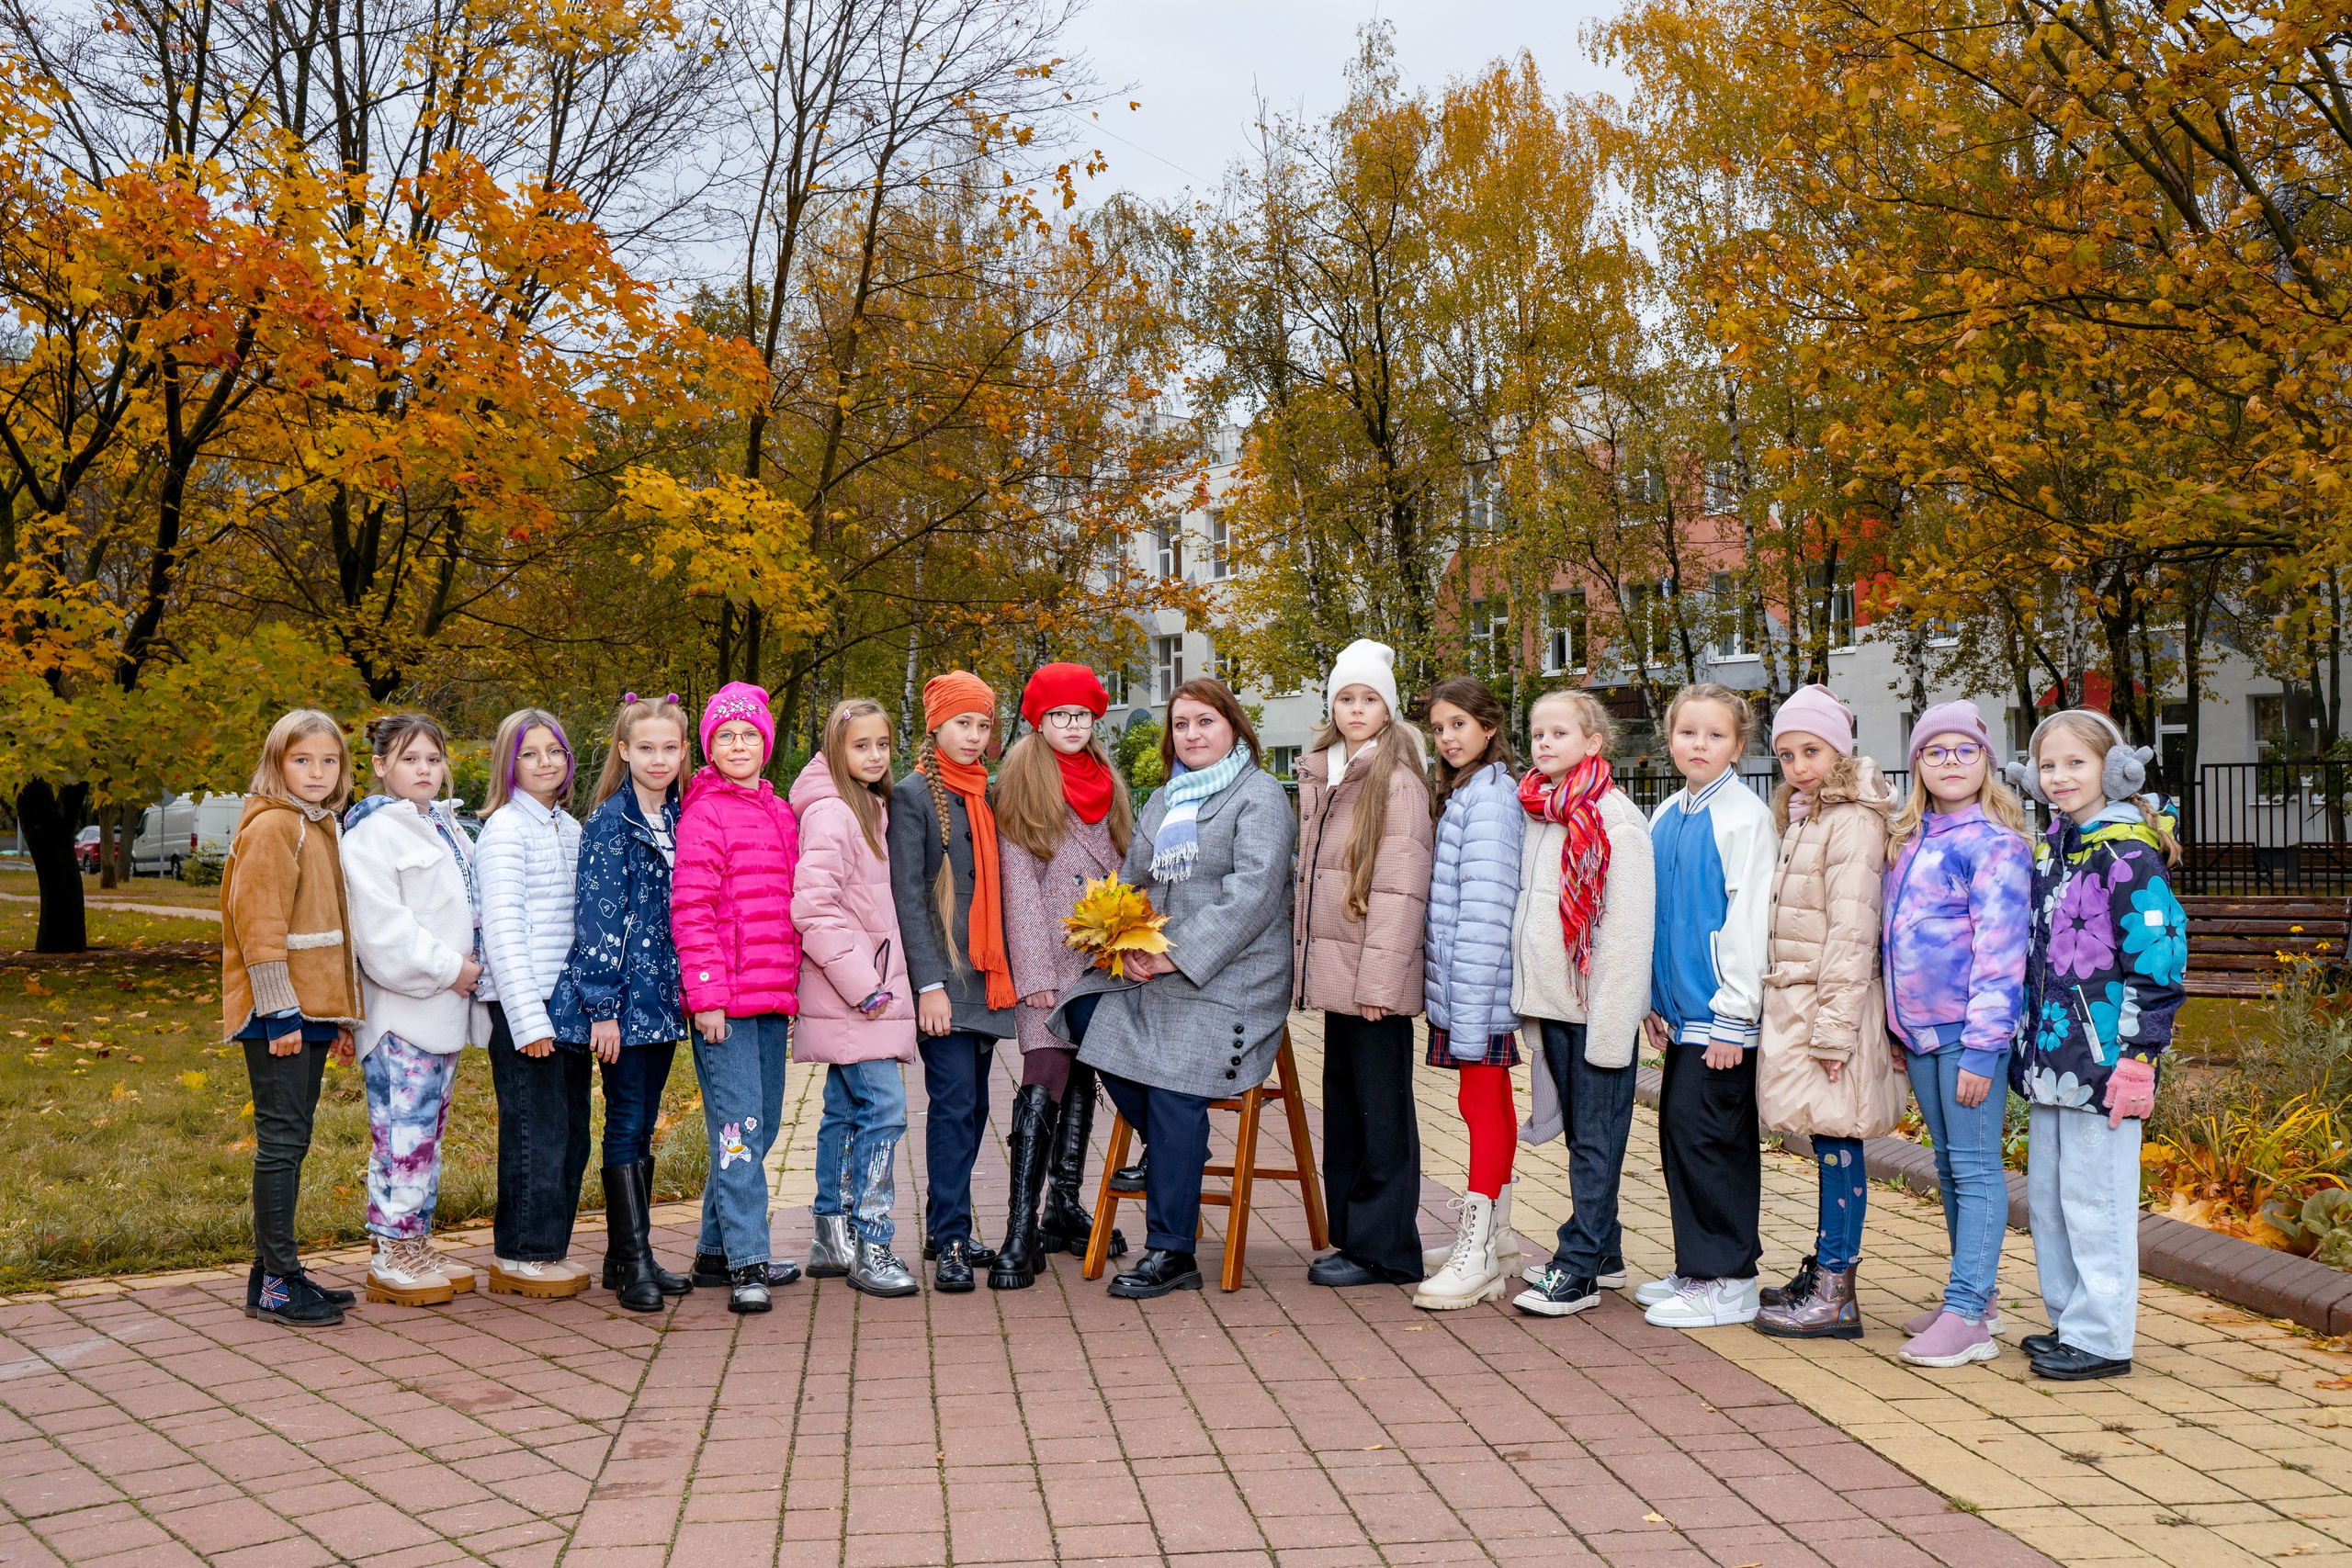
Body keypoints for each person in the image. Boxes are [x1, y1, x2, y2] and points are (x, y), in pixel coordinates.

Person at [1055, 679, 1298, 1298]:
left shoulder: (1261, 797)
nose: (1192, 734)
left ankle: (1172, 1249)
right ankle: (1171, 1149)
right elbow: (1132, 881)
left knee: (1172, 1079)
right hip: (1156, 970)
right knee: (1080, 1009)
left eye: (1205, 722)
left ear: (1235, 729)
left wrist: (1169, 958)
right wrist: (1124, 941)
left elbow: (1248, 900)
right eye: (1182, 724)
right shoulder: (1165, 798)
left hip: (1233, 979)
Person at [2006, 708, 2187, 1381]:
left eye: (2075, 763)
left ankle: (2104, 1335)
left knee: (2096, 1200)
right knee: (2053, 1200)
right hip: (2054, 1058)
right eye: (2048, 765)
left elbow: (2159, 955)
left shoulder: (2126, 854)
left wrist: (2142, 1054)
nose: (2059, 777)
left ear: (2111, 771)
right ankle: (2071, 1318)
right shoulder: (2058, 847)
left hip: (2105, 1061)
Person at [1749, 685, 1905, 1340]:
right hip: (1803, 1002)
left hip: (1830, 1006)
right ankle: (1824, 1267)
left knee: (1839, 1143)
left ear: (1839, 747)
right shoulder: (1809, 814)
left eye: (1810, 749)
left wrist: (1835, 1032)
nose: (1798, 765)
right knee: (1825, 1138)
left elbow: (1851, 930)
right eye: (1785, 754)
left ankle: (1838, 1288)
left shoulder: (1851, 820)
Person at [1883, 700, 2031, 1368]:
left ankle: (1967, 1312)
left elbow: (2002, 957)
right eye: (1935, 751)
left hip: (1966, 1033)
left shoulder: (1994, 844)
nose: (1950, 762)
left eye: (1963, 751)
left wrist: (1982, 1045)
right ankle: (1976, 1296)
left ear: (1986, 762)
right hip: (1917, 1033)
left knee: (1973, 1168)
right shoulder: (1911, 837)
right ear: (1917, 762)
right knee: (1946, 1166)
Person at [1508, 691, 1656, 1318]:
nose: (1544, 743)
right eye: (1538, 732)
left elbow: (1626, 938)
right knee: (1582, 1139)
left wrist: (1613, 1027)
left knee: (1598, 1141)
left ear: (1593, 742)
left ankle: (1579, 1266)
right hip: (1557, 1005)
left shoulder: (1615, 819)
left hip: (1597, 1014)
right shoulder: (1541, 811)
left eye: (1559, 732)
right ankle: (1609, 1251)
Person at [1294, 638, 1434, 1289]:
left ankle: (1389, 1250)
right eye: (1345, 698)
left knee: (1382, 1117)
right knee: (1347, 1109)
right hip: (1338, 974)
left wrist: (1379, 983)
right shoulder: (1324, 771)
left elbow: (1401, 887)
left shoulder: (1396, 779)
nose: (1355, 708)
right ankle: (1352, 1237)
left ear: (1388, 706)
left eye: (1368, 698)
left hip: (1372, 982)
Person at [1637, 682, 1778, 1330]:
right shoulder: (1667, 814)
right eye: (1688, 732)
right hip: (1682, 1017)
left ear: (1739, 747)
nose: (1699, 744)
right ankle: (1698, 1267)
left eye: (1715, 734)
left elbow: (1747, 922)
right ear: (1670, 739)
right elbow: (1656, 918)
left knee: (1713, 1142)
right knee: (1682, 1139)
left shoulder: (1743, 818)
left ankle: (1730, 1278)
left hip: (1722, 1021)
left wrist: (1734, 1016)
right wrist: (1651, 998)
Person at [550, 693, 695, 1313]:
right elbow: (597, 919)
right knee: (627, 1119)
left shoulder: (681, 815)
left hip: (664, 1000)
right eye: (646, 748)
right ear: (623, 751)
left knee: (645, 1120)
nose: (658, 758)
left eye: (669, 748)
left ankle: (624, 1253)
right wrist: (602, 1006)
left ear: (684, 751)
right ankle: (632, 1259)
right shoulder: (611, 824)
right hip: (622, 1005)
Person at [991, 663, 1134, 1289]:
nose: (1072, 726)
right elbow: (1018, 885)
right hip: (1048, 954)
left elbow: (1127, 863)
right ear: (1038, 720)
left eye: (1082, 715)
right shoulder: (1023, 781)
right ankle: (1019, 1230)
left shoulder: (1108, 781)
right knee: (1045, 1074)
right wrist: (1034, 972)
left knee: (1086, 1073)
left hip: (1101, 955)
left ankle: (1062, 1205)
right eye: (1059, 716)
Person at [221, 710, 363, 1328]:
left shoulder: (319, 823)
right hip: (278, 1012)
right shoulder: (276, 826)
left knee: (293, 1141)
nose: (317, 771)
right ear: (277, 763)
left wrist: (340, 1020)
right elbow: (259, 926)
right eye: (302, 759)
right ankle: (279, 1282)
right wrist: (281, 1014)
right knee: (281, 1145)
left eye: (328, 760)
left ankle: (271, 1274)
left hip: (308, 1012)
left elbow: (331, 930)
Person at [342, 714, 489, 1308]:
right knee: (401, 1136)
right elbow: (384, 934)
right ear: (380, 766)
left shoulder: (449, 827)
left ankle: (416, 1240)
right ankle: (390, 1249)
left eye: (432, 758)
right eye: (409, 759)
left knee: (427, 1136)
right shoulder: (371, 838)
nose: (424, 769)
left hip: (446, 1017)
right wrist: (449, 968)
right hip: (403, 1016)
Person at [673, 682, 806, 1313]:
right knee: (738, 1129)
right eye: (725, 735)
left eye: (749, 733)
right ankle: (748, 1259)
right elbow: (692, 909)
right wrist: (705, 997)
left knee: (762, 1123)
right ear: (709, 746)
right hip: (723, 1004)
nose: (738, 743)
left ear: (766, 743)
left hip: (770, 998)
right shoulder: (704, 812)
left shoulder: (781, 814)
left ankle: (712, 1249)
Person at [789, 699, 922, 1298]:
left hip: (860, 991)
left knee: (844, 1110)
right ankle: (873, 1243)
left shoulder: (868, 805)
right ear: (835, 749)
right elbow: (811, 907)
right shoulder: (834, 814)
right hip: (856, 994)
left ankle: (829, 1233)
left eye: (882, 744)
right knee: (886, 1109)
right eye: (860, 745)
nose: (873, 755)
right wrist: (865, 985)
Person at [890, 671, 1018, 1291]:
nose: (973, 735)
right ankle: (947, 1236)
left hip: (987, 976)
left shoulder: (986, 793)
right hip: (946, 980)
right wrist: (928, 984)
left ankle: (956, 1228)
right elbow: (909, 896)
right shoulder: (914, 795)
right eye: (963, 722)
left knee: (976, 1108)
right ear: (936, 725)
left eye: (983, 724)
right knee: (953, 1107)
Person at [1412, 676, 1525, 1311]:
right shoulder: (1468, 793)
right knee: (1486, 1103)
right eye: (1439, 727)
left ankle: (1478, 1254)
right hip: (1467, 987)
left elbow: (1485, 911)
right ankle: (1499, 1238)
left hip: (1478, 988)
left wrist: (1473, 1010)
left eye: (1460, 724)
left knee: (1481, 1105)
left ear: (1488, 728)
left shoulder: (1490, 799)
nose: (1449, 736)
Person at [474, 707, 593, 1300]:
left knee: (571, 1132)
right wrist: (526, 1019)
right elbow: (502, 932)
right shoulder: (504, 830)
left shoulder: (569, 829)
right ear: (510, 764)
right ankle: (522, 1252)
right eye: (530, 753)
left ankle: (551, 1246)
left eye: (554, 751)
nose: (545, 762)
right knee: (534, 1133)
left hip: (568, 1004)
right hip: (529, 1006)